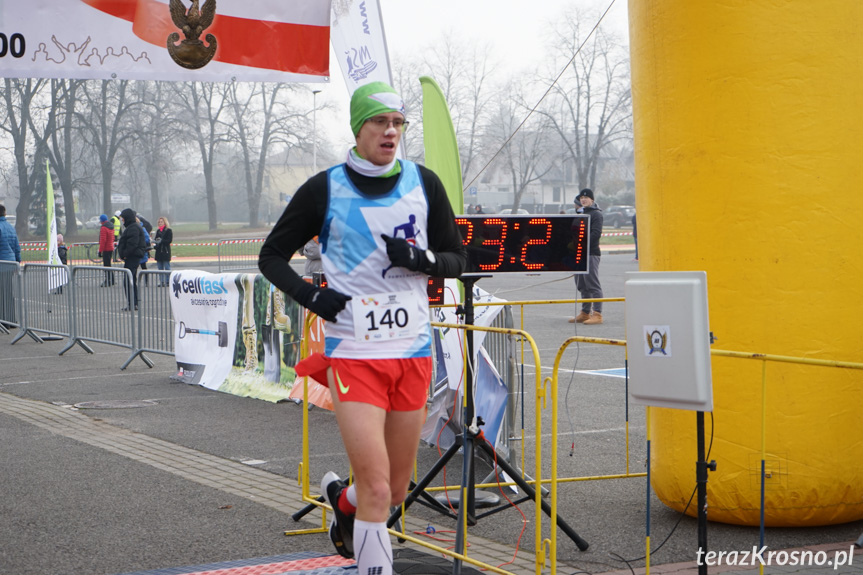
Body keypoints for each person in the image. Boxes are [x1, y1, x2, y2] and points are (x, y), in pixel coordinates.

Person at [258, 81, 467, 575]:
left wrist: (423, 258)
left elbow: (460, 258)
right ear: (358, 129)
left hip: (413, 350)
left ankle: (340, 498)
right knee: (376, 488)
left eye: (398, 123)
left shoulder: (424, 183)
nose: (390, 131)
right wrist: (312, 295)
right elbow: (271, 256)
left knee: (394, 491)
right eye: (380, 122)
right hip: (354, 351)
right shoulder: (325, 188)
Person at [569, 188, 604, 325]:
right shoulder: (580, 214)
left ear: (592, 200)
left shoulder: (596, 214)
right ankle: (585, 312)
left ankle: (597, 313)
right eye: (581, 198)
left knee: (592, 284)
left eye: (586, 198)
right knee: (581, 284)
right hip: (578, 254)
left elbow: (596, 234)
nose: (583, 200)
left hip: (590, 253)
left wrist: (581, 243)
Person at [117, 208, 145, 311]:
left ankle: (132, 303)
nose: (122, 221)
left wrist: (124, 254)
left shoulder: (133, 228)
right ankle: (133, 302)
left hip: (132, 257)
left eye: (123, 219)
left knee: (128, 281)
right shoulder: (132, 227)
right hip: (133, 256)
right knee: (131, 279)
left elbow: (132, 244)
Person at [154, 216, 173, 287]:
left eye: (161, 222)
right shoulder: (158, 231)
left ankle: (168, 281)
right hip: (159, 252)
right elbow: (156, 240)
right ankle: (161, 281)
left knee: (167, 267)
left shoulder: (168, 230)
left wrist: (162, 241)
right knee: (160, 268)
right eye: (159, 222)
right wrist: (156, 244)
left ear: (165, 222)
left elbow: (169, 240)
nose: (160, 223)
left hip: (165, 251)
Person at [97, 214, 115, 286]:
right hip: (110, 247)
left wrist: (100, 250)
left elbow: (103, 240)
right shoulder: (111, 227)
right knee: (109, 265)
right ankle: (112, 279)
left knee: (106, 266)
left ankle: (108, 280)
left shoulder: (103, 228)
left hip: (106, 248)